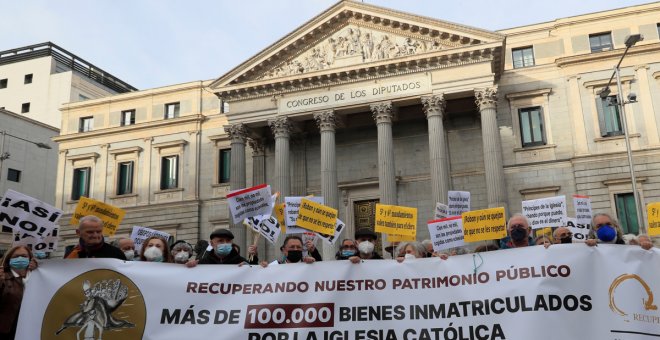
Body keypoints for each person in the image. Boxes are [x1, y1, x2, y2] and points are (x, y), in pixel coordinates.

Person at [0, 246, 36, 339]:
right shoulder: (3, 277)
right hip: (7, 330)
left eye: (24, 256)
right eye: (15, 256)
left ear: (30, 259)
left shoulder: (38, 277)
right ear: (8, 260)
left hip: (31, 327)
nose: (20, 259)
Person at [187, 229, 257, 266]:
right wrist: (189, 266)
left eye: (228, 240)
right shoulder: (203, 263)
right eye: (220, 241)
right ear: (211, 243)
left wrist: (250, 266)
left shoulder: (241, 262)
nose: (225, 243)